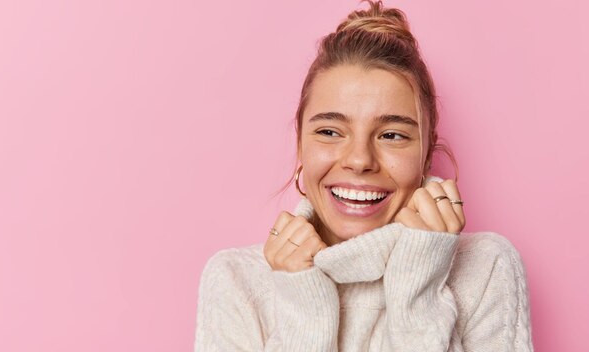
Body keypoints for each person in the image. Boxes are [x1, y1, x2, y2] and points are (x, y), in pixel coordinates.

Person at [194, 1, 533, 350]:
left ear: (427, 153)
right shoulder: (238, 281)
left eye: (391, 135)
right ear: (300, 145)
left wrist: (418, 286)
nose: (359, 160)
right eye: (329, 131)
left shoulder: (485, 267)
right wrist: (304, 307)